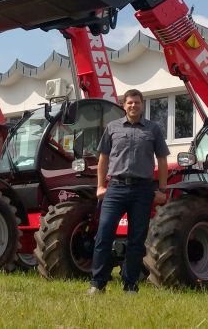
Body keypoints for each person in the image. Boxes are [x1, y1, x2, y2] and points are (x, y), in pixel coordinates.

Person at [87, 89, 169, 294]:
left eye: (137, 103)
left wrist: (162, 189)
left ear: (142, 105)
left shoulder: (153, 129)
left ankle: (130, 285)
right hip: (115, 188)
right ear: (124, 106)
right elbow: (103, 159)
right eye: (130, 103)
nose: (133, 106)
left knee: (136, 239)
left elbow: (162, 160)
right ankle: (98, 284)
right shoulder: (112, 128)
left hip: (143, 190)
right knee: (104, 235)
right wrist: (99, 186)